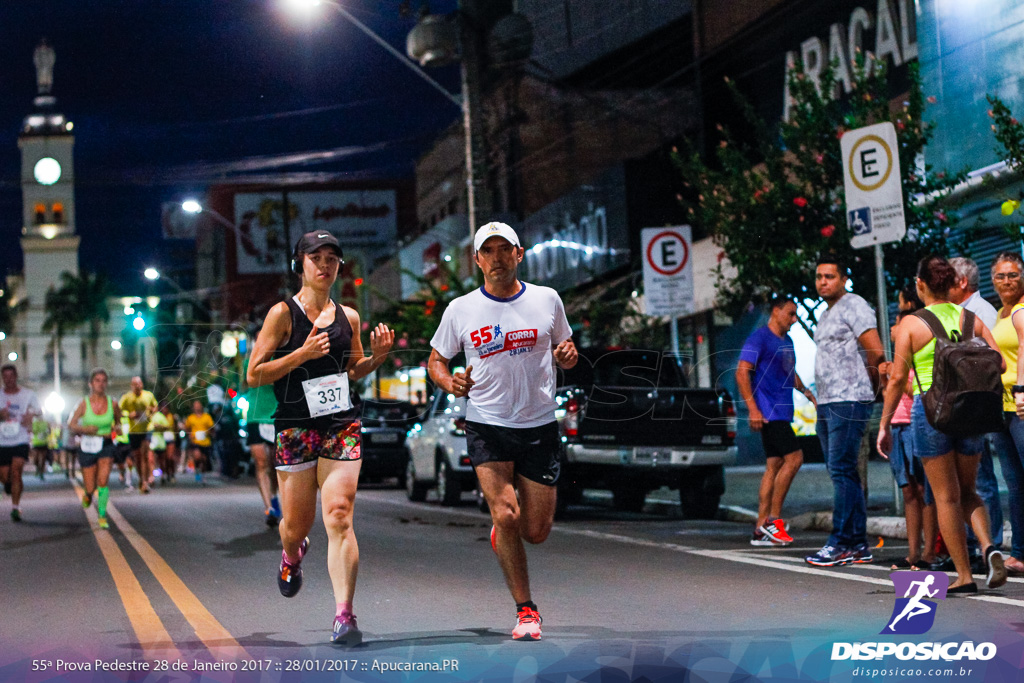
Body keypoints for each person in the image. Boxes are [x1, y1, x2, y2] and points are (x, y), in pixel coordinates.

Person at [428, 221, 577, 642]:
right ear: (477, 260)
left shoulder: (547, 299)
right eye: (487, 251)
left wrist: (567, 355)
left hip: (539, 426)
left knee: (536, 531)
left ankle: (504, 532)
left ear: (519, 254)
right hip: (486, 425)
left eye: (503, 249)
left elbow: (567, 352)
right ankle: (526, 610)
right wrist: (448, 382)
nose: (496, 258)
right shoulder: (461, 309)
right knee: (507, 513)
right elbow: (436, 361)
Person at [247, 230, 393, 646]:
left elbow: (352, 369)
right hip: (294, 427)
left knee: (340, 515)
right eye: (316, 257)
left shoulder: (349, 317)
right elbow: (253, 373)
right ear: (300, 264)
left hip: (340, 423)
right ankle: (292, 555)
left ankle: (344, 616)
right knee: (294, 527)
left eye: (332, 258)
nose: (325, 265)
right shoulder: (282, 314)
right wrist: (300, 355)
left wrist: (377, 359)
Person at [878, 255, 1006, 593]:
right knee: (970, 491)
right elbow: (1001, 364)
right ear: (950, 284)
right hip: (971, 413)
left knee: (946, 497)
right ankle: (989, 546)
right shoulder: (971, 318)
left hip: (931, 411)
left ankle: (964, 576)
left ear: (920, 285)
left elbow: (896, 380)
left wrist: (884, 424)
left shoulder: (912, 324)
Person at [804, 255, 885, 567]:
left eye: (830, 277)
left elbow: (876, 352)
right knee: (843, 472)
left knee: (841, 470)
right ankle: (857, 543)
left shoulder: (854, 305)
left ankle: (839, 543)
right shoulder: (826, 313)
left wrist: (868, 393)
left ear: (843, 279)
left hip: (848, 400)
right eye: (819, 277)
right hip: (827, 401)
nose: (823, 282)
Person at [736, 297, 813, 546]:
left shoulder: (787, 341)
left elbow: (789, 372)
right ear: (776, 311)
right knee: (795, 458)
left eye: (796, 315)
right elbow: (741, 371)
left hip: (783, 411)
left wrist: (806, 392)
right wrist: (753, 409)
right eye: (790, 314)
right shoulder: (759, 338)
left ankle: (761, 527)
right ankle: (773, 521)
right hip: (769, 412)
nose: (794, 319)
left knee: (774, 464)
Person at [948, 256, 1004, 562]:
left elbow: (991, 360)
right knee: (966, 482)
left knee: (982, 481)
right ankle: (973, 546)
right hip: (962, 406)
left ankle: (990, 545)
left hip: (978, 405)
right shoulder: (958, 312)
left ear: (962, 282)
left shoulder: (980, 312)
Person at [882, 312, 934, 570]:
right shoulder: (896, 361)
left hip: (915, 425)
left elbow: (916, 394)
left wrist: (897, 377)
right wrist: (886, 379)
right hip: (896, 426)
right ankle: (912, 552)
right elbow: (888, 397)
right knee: (908, 491)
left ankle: (928, 552)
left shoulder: (919, 359)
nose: (894, 329)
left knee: (924, 490)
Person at [988, 251, 1024, 574]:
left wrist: (1023, 389)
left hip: (1022, 405)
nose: (1007, 281)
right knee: (1014, 483)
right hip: (1003, 409)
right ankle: (1021, 553)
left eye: (1013, 274)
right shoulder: (1002, 313)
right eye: (1001, 276)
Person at [69, 369, 122, 530]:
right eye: (97, 380)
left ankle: (102, 515)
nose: (101, 383)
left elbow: (119, 422)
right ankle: (88, 494)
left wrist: (117, 429)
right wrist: (85, 429)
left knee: (103, 481)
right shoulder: (83, 403)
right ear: (91, 384)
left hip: (106, 445)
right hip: (87, 446)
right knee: (91, 487)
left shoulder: (113, 403)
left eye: (104, 380)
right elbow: (71, 424)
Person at [244, 352, 281, 527]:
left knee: (275, 464)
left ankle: (274, 498)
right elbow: (248, 381)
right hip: (255, 417)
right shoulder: (249, 361)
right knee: (261, 464)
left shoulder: (282, 358)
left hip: (276, 417)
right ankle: (269, 509)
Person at [0, 364, 40, 522]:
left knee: (17, 472)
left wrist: (31, 414)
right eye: (5, 376)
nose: (9, 379)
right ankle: (7, 484)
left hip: (20, 439)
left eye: (11, 376)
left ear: (16, 376)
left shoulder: (28, 394)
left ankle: (15, 508)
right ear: (2, 378)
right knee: (4, 476)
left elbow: (39, 410)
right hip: (2, 441)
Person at [118, 376, 158, 493]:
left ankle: (145, 482)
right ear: (131, 386)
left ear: (142, 385)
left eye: (139, 383)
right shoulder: (127, 398)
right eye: (135, 384)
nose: (138, 386)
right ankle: (141, 478)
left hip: (146, 429)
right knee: (138, 457)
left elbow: (155, 407)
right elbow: (119, 411)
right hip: (134, 431)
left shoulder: (148, 395)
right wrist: (129, 415)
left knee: (145, 454)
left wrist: (151, 411)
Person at [185, 401, 214, 485]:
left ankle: (203, 475)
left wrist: (208, 432)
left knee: (204, 459)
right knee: (197, 457)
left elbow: (211, 427)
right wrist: (190, 435)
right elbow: (187, 428)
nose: (197, 407)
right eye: (195, 406)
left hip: (205, 442)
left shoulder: (207, 417)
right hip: (195, 442)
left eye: (198, 405)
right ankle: (197, 471)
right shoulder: (190, 418)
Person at [148, 402, 174, 485]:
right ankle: (151, 477)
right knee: (150, 459)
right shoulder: (146, 416)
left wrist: (159, 426)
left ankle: (163, 475)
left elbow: (167, 427)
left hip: (159, 441)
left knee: (161, 460)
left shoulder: (160, 416)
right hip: (150, 441)